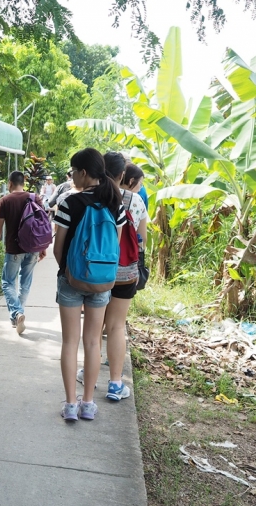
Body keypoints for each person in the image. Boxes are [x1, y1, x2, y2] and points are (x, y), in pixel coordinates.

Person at [53, 149, 126, 422]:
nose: (71, 176)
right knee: (93, 342)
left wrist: (68, 272)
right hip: (103, 281)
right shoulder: (114, 203)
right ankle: (87, 404)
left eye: (73, 171)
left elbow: (58, 248)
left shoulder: (69, 203)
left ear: (84, 172)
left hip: (72, 280)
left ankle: (70, 404)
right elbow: (115, 247)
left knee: (70, 342)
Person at [92, 153, 148, 402]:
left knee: (94, 328)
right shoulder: (135, 200)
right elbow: (143, 240)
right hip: (125, 272)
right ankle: (115, 385)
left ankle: (89, 375)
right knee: (116, 327)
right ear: (122, 175)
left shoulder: (91, 198)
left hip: (95, 272)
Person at [0, 170, 47, 335]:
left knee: (7, 282)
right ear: (23, 183)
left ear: (10, 183)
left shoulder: (5, 200)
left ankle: (16, 313)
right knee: (25, 283)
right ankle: (17, 315)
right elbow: (41, 224)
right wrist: (42, 247)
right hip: (33, 248)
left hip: (14, 249)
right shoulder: (35, 198)